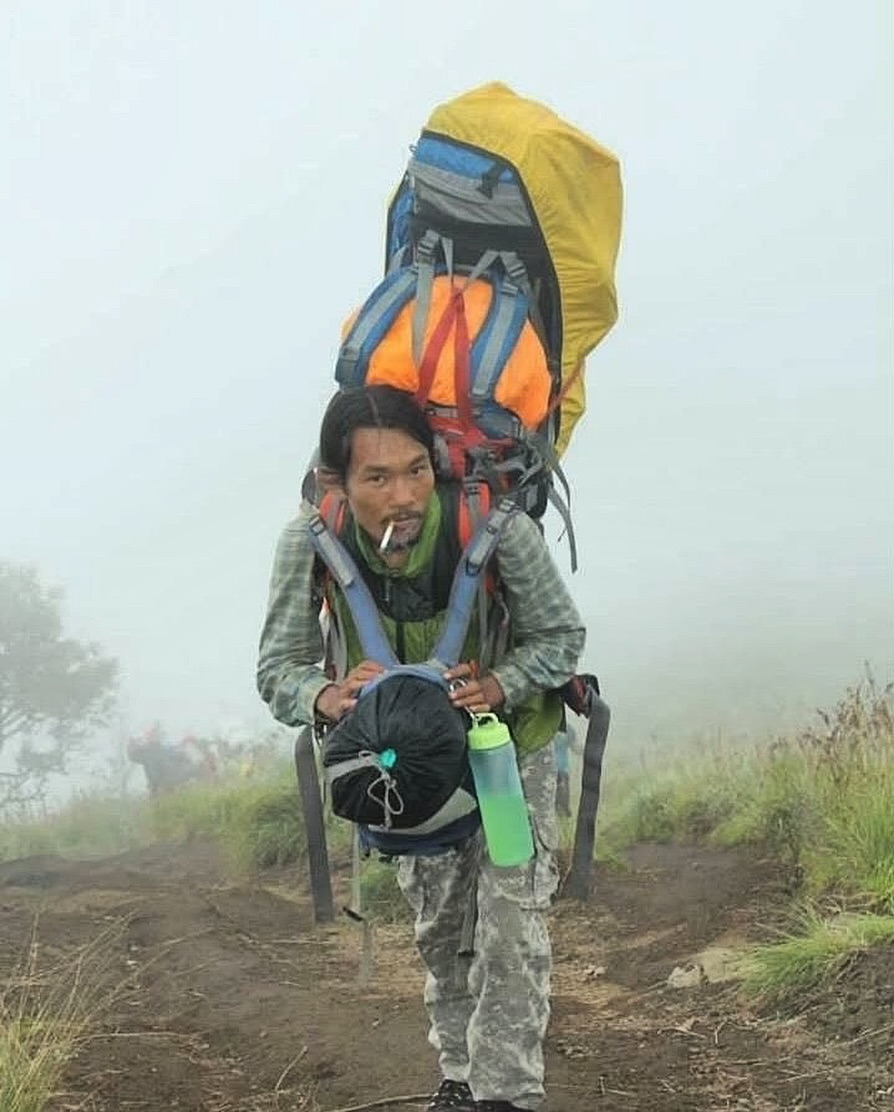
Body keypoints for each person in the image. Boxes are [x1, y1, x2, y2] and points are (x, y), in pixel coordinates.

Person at [257, 385, 586, 1112]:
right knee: (441, 931)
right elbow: (278, 668)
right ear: (338, 482)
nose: (403, 495)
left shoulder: (491, 526)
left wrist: (501, 684)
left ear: (435, 463)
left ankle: (507, 1095)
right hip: (401, 765)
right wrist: (327, 695)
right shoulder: (311, 538)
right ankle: (461, 1077)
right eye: (377, 478)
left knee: (511, 923)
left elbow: (561, 639)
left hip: (505, 748)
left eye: (415, 470)